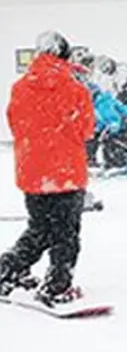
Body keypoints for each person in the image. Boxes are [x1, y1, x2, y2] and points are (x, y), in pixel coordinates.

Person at [0, 31, 94, 306]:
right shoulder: (75, 88)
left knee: (39, 228)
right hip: (66, 173)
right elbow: (87, 129)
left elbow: (15, 125)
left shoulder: (20, 87)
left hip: (33, 172)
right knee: (66, 232)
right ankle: (57, 284)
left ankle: (8, 268)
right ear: (64, 55)